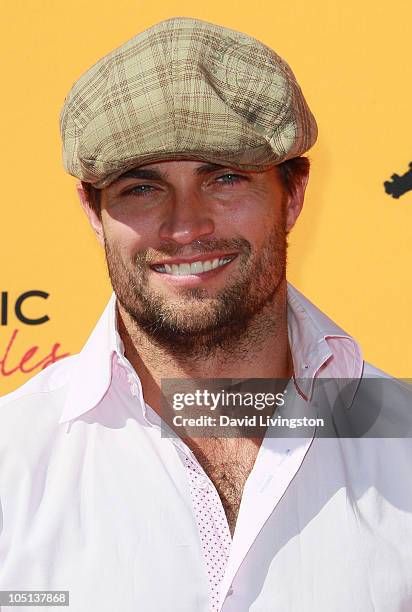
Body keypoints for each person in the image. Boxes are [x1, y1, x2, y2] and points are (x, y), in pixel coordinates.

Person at [1, 16, 411, 612]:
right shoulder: (12, 459)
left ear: (292, 196)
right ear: (94, 213)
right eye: (141, 188)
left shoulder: (400, 443)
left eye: (224, 179)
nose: (185, 225)